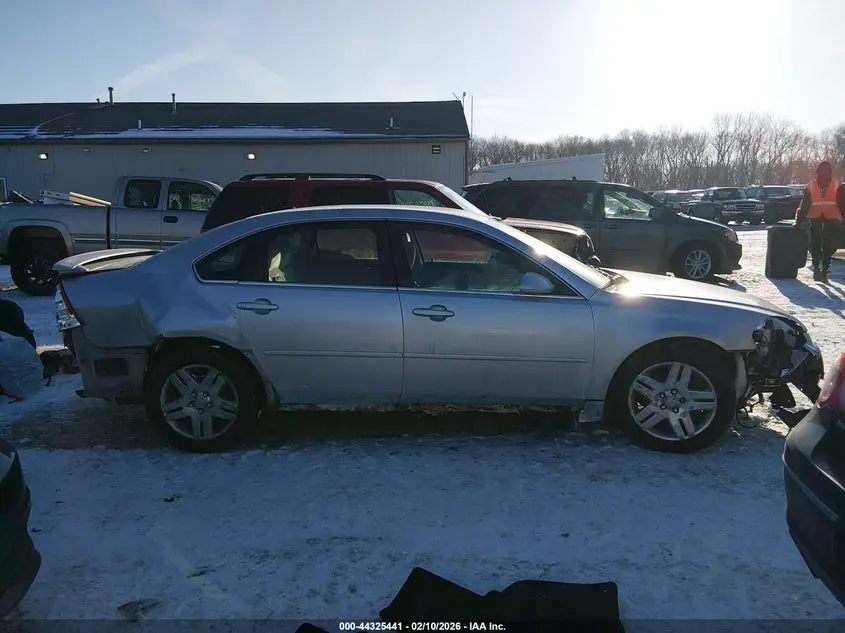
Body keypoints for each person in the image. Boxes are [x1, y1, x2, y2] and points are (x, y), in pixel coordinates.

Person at [796, 161, 844, 282]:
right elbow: (805, 205)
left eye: (826, 171)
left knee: (829, 245)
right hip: (816, 218)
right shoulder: (810, 186)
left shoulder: (838, 186)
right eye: (822, 171)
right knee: (815, 244)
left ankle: (824, 270)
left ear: (830, 172)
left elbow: (842, 204)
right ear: (818, 172)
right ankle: (817, 268)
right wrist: (799, 221)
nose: (824, 173)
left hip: (832, 219)